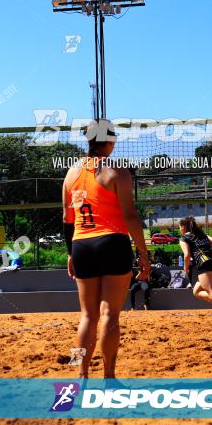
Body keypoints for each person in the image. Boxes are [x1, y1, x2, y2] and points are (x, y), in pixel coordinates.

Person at [63, 119, 150, 379]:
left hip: (81, 244)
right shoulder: (116, 172)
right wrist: (143, 254)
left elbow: (67, 218)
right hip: (112, 241)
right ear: (109, 142)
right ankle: (109, 377)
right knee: (110, 314)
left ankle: (81, 373)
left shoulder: (71, 173)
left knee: (87, 316)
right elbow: (131, 216)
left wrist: (70, 252)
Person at [179, 216, 212, 330]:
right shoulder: (202, 234)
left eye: (179, 227)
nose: (179, 229)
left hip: (203, 265)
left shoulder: (184, 238)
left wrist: (185, 268)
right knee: (196, 291)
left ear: (183, 227)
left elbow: (186, 255)